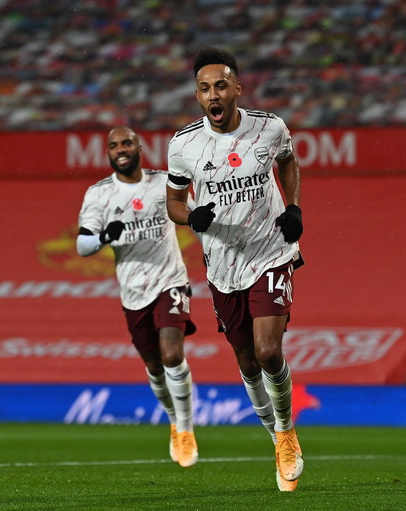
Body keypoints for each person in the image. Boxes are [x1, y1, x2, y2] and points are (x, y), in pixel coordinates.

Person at [165, 46, 305, 491]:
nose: (213, 94)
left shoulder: (269, 128)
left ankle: (287, 433)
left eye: (221, 85)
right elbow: (173, 202)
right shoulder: (183, 145)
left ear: (237, 89)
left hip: (271, 251)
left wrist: (294, 207)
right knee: (245, 359)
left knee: (267, 351)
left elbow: (288, 161)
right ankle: (275, 437)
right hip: (223, 266)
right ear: (197, 95)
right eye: (204, 88)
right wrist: (192, 216)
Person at [77, 126, 199, 468]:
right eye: (113, 145)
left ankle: (186, 429)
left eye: (127, 143)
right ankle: (173, 420)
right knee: (154, 366)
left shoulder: (164, 183)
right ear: (108, 153)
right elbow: (82, 245)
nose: (121, 149)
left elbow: (193, 217)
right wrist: (104, 237)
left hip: (171, 281)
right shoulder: (99, 194)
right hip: (133, 292)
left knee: (172, 354)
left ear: (139, 147)